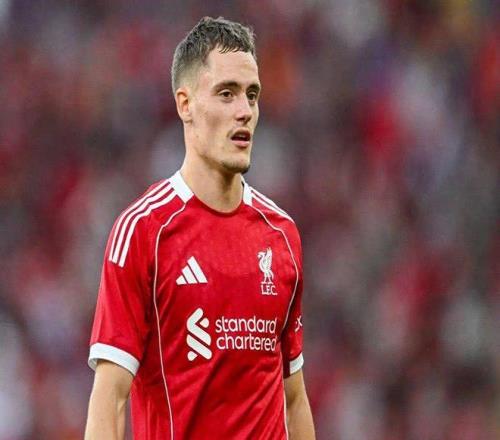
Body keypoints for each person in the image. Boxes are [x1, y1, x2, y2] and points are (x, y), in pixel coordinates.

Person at [85, 16, 315, 440]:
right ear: (185, 104)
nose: (244, 111)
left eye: (251, 95)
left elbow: (294, 398)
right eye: (226, 94)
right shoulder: (144, 231)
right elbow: (110, 398)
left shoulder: (282, 235)